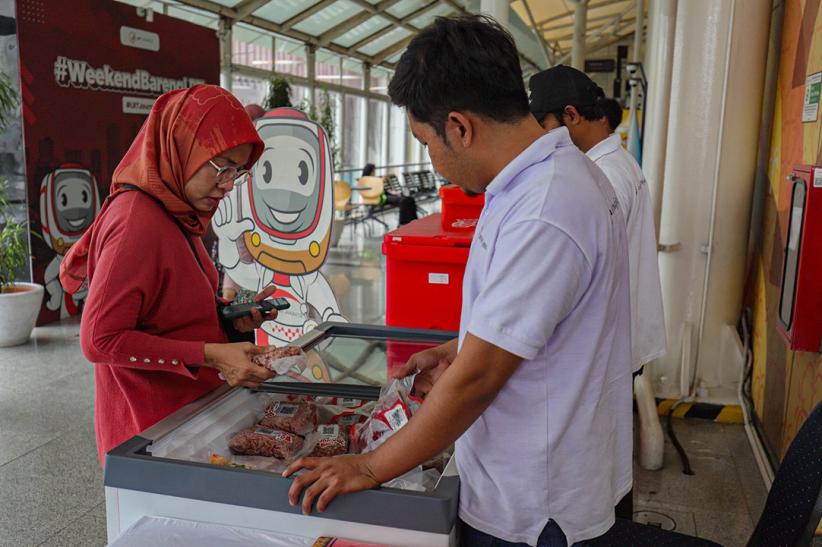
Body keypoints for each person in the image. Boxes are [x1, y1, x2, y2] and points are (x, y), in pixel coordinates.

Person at [283, 15, 632, 547]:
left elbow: (478, 379)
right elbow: (535, 327)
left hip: (534, 505)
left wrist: (371, 467)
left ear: (460, 127)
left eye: (426, 141)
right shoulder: (535, 180)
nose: (432, 160)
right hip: (535, 469)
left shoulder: (545, 208)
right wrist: (458, 346)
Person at [60, 85, 279, 465]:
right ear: (182, 148)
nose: (228, 185)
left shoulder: (176, 212)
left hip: (187, 417)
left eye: (238, 173)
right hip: (150, 432)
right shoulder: (136, 221)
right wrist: (211, 355)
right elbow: (99, 340)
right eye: (221, 168)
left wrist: (231, 318)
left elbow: (171, 309)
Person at [529, 65, 667, 521]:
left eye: (545, 126)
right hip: (623, 332)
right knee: (609, 451)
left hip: (611, 336)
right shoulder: (614, 163)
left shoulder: (603, 176)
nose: (541, 139)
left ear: (570, 116)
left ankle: (608, 528)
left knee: (601, 459)